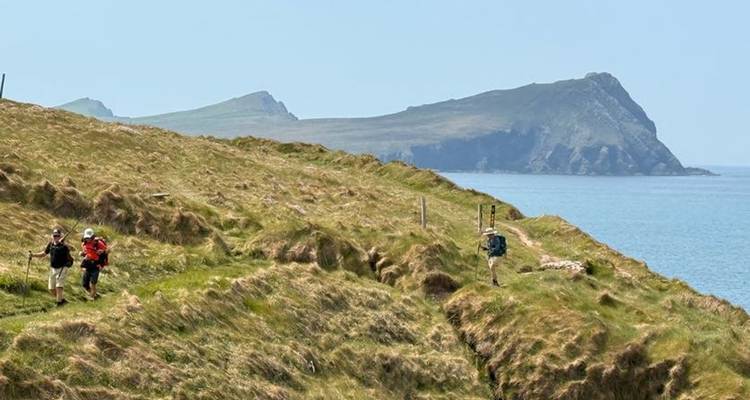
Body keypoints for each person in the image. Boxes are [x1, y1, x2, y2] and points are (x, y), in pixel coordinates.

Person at [29, 228, 73, 306]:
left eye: (57, 236)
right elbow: (44, 253)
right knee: (51, 288)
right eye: (54, 235)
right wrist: (33, 255)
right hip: (53, 268)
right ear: (52, 236)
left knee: (59, 286)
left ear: (60, 236)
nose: (56, 237)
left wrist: (62, 244)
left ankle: (59, 304)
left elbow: (69, 251)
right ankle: (62, 300)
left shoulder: (64, 246)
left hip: (62, 267)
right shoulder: (50, 244)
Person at [80, 228, 107, 300]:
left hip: (96, 265)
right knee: (85, 284)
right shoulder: (83, 244)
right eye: (86, 238)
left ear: (92, 237)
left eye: (89, 238)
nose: (87, 239)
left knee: (93, 283)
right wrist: (82, 254)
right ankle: (95, 295)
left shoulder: (98, 243)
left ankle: (92, 298)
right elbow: (86, 252)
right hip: (88, 265)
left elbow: (107, 251)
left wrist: (102, 252)